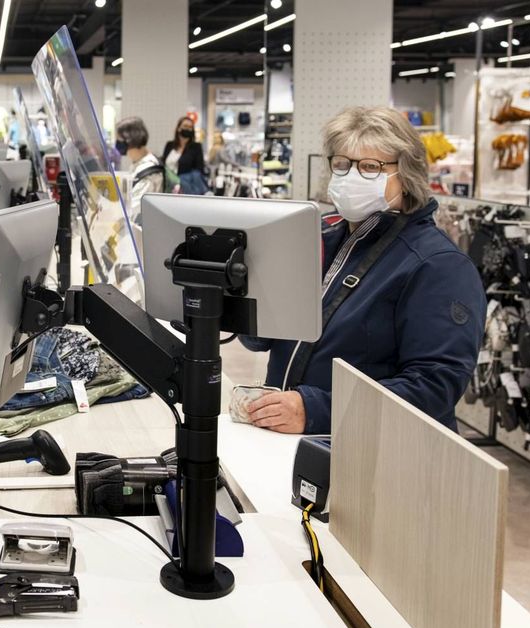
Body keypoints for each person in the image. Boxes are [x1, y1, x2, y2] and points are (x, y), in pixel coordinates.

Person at [240, 106, 486, 435]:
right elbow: (262, 339)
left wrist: (317, 410)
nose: (350, 176)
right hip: (295, 443)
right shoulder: (322, 240)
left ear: (407, 174)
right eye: (341, 164)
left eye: (370, 167)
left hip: (376, 457)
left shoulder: (438, 264)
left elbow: (434, 387)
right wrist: (244, 291)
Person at [115, 116, 163, 225]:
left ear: (129, 139)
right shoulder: (138, 163)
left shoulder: (149, 170)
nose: (116, 143)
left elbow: (134, 209)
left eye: (119, 139)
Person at [161, 116, 207, 194]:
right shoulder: (169, 145)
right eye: (185, 126)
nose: (188, 129)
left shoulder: (196, 147)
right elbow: (163, 165)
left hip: (186, 188)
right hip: (168, 187)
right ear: (179, 128)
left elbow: (199, 169)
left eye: (190, 127)